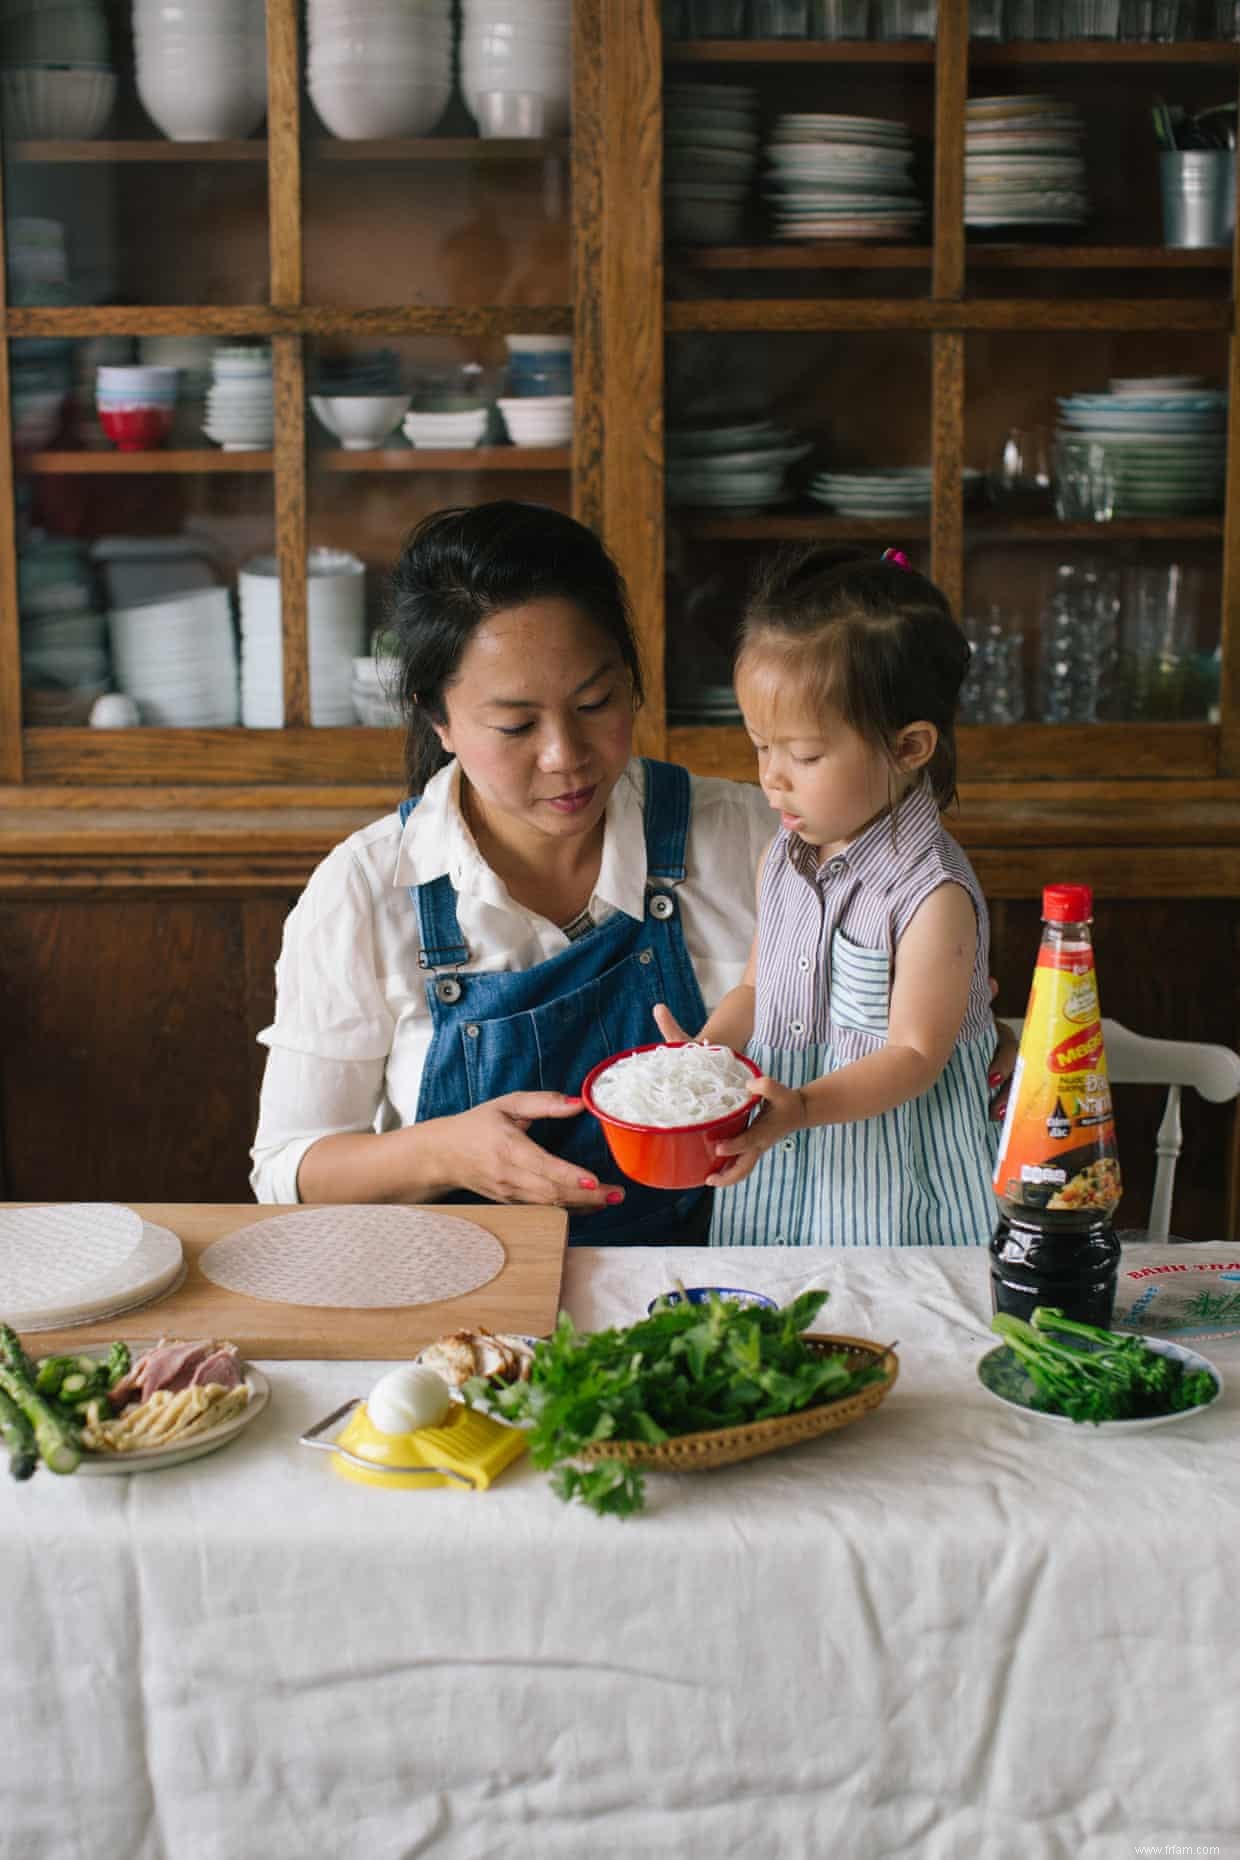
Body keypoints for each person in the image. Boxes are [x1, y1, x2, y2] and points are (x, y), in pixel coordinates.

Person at [250, 500, 776, 1244]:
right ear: (439, 721)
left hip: (723, 1295)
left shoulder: (750, 839)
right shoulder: (367, 891)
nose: (565, 754)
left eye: (596, 702)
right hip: (470, 1324)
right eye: (516, 726)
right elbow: (287, 1173)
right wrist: (444, 1154)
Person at [654, 545, 1001, 1247]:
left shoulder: (932, 895)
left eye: (804, 756)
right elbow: (759, 988)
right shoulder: (785, 854)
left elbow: (913, 1056)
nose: (773, 779)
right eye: (761, 746)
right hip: (786, 1161)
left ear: (909, 747)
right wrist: (705, 1055)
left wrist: (803, 1106)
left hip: (895, 1180)